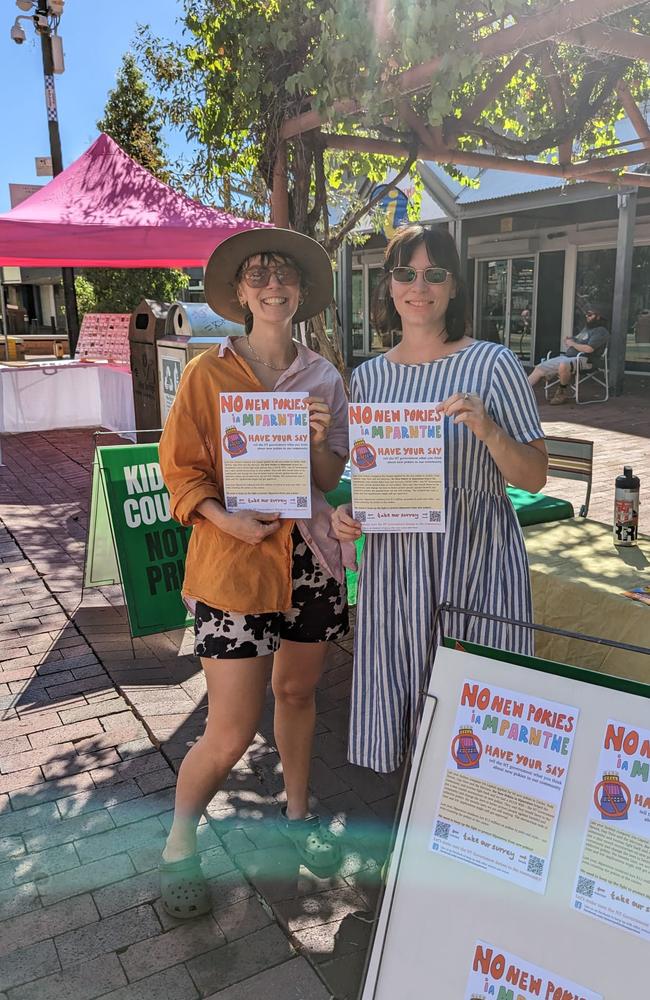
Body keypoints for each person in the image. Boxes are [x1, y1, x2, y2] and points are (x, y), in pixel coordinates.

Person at [158, 227, 349, 917]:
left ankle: (299, 816)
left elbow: (326, 478)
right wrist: (220, 516)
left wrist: (321, 444)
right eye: (259, 273)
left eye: (285, 273)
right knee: (231, 730)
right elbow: (180, 471)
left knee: (297, 696)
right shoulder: (208, 375)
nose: (273, 282)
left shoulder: (323, 375)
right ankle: (179, 845)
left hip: (309, 564)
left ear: (300, 292)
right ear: (239, 292)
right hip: (235, 565)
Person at [331, 224, 548, 775]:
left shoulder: (493, 365)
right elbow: (371, 478)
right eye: (405, 273)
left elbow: (537, 475)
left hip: (475, 558)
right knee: (402, 700)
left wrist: (491, 431)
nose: (418, 286)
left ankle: (476, 833)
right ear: (389, 286)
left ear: (454, 287)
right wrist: (348, 516)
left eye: (434, 274)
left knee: (483, 706)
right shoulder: (369, 378)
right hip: (396, 565)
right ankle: (412, 833)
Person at [528, 304, 610, 405]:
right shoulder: (587, 329)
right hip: (568, 357)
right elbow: (578, 340)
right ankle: (521, 391)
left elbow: (589, 349)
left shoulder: (601, 331)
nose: (586, 317)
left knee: (563, 365)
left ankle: (562, 393)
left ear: (598, 317)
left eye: (589, 315)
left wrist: (572, 344)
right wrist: (570, 339)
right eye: (586, 315)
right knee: (539, 368)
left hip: (586, 360)